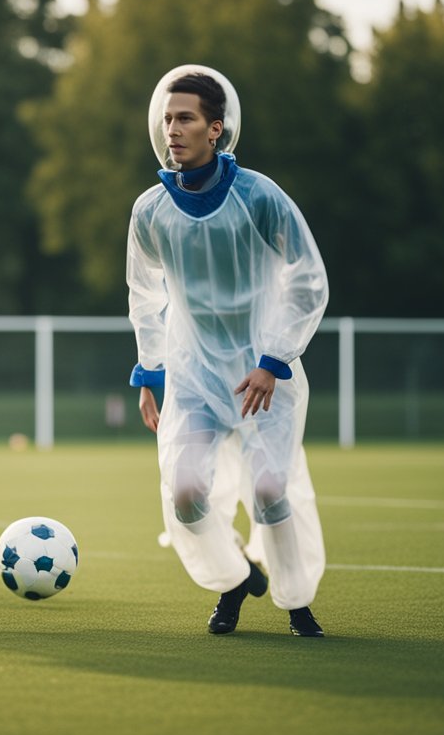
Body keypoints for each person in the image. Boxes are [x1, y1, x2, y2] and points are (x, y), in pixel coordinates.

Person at [126, 66, 329, 637]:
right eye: (167, 118)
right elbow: (144, 296)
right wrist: (151, 372)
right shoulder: (149, 210)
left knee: (270, 489)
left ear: (216, 129)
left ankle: (296, 602)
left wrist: (273, 359)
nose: (173, 129)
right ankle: (234, 578)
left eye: (186, 118)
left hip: (264, 376)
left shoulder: (260, 197)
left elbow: (308, 279)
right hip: (191, 377)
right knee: (186, 494)